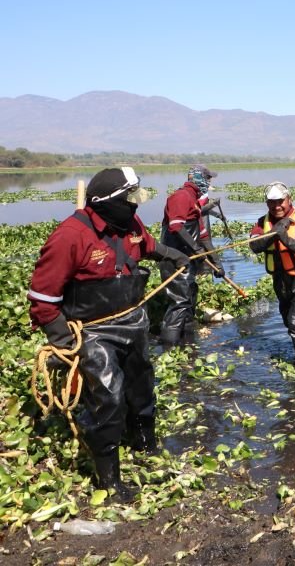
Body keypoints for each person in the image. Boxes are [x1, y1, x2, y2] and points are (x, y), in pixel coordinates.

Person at [27, 167, 190, 501]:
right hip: (94, 331)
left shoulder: (130, 223)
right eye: (129, 198)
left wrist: (171, 254)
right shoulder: (69, 236)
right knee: (109, 397)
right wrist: (65, 341)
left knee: (141, 387)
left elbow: (146, 245)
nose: (135, 205)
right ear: (108, 202)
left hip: (132, 320)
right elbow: (43, 300)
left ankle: (145, 445)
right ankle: (109, 479)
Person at [249, 182, 295, 366]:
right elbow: (254, 246)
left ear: (289, 199)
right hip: (281, 279)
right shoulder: (262, 222)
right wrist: (274, 233)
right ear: (267, 203)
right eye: (271, 202)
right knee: (292, 322)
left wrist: (285, 239)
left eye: (280, 201)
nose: (276, 206)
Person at [158, 164, 224, 348]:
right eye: (208, 179)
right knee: (179, 303)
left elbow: (203, 236)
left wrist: (216, 262)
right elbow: (176, 226)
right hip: (175, 260)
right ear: (198, 179)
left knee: (189, 300)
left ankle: (188, 347)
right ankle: (169, 350)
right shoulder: (181, 196)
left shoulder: (194, 201)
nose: (209, 183)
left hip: (188, 261)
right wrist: (196, 249)